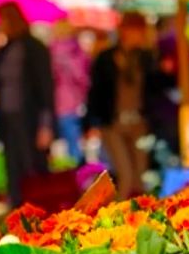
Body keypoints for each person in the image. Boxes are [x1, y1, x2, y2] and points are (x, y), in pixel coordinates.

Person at [85, 12, 171, 199]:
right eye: (137, 31)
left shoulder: (147, 58)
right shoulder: (106, 58)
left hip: (139, 123)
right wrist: (90, 123)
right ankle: (118, 220)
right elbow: (95, 92)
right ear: (125, 31)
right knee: (125, 174)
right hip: (113, 123)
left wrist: (161, 66)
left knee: (140, 176)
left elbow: (158, 89)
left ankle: (140, 216)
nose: (139, 36)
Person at [0, 3, 55, 207]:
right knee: (13, 171)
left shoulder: (35, 48)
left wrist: (46, 125)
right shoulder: (4, 50)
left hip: (30, 120)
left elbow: (46, 89)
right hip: (8, 120)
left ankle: (38, 215)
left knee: (33, 170)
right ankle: (17, 211)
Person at [50, 20, 91, 162]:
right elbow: (84, 79)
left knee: (54, 148)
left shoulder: (50, 51)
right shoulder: (78, 52)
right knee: (74, 147)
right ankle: (76, 177)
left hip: (53, 104)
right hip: (73, 104)